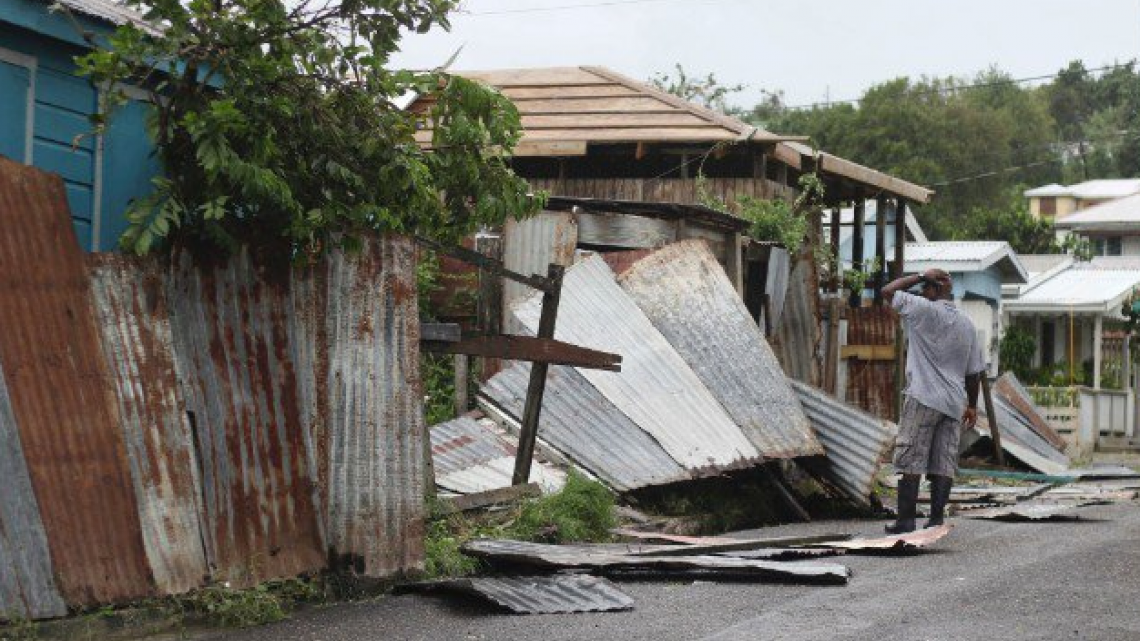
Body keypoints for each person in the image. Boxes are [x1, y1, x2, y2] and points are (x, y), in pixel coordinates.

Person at [881, 268, 985, 533]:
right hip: (953, 403)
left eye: (924, 287)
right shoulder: (967, 324)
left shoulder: (922, 310)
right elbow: (974, 373)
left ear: (933, 288)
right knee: (943, 461)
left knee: (911, 456)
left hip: (923, 397)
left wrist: (919, 275)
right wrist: (972, 406)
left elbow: (887, 291)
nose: (920, 292)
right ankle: (936, 518)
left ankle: (905, 520)